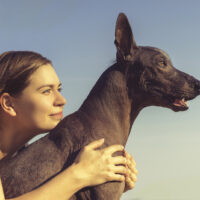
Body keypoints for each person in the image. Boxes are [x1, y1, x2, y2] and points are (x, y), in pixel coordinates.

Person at [0, 51, 138, 200]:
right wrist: (79, 175)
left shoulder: (20, 158)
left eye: (59, 89)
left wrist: (105, 183)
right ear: (8, 104)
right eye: (46, 91)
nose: (62, 100)